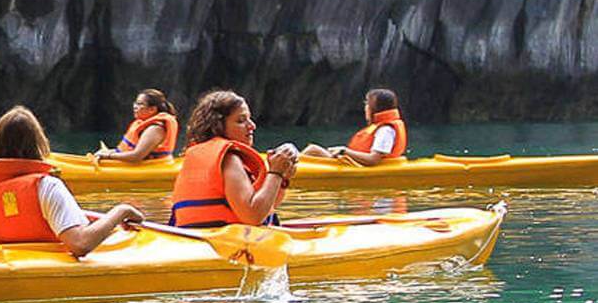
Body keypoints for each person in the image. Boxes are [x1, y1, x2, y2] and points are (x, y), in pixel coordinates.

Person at [0, 105, 144, 257]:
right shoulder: (46, 186)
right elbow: (80, 245)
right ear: (38, 143)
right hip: (32, 276)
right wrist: (122, 211)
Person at [169, 90, 298, 228]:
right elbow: (253, 216)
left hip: (194, 235)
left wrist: (281, 179)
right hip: (225, 240)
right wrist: (275, 173)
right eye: (241, 121)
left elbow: (264, 208)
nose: (251, 126)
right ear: (217, 126)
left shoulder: (198, 153)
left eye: (249, 119)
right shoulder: (230, 159)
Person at [301, 88, 407, 166]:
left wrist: (344, 151)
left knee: (313, 149)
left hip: (358, 167)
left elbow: (373, 160)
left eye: (367, 104)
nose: (365, 107)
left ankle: (288, 172)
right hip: (354, 164)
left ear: (376, 108)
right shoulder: (382, 127)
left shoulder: (385, 130)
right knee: (313, 150)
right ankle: (288, 167)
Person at [93, 89, 178, 162]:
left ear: (152, 109)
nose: (135, 107)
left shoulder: (155, 129)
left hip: (151, 168)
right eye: (135, 103)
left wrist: (108, 156)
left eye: (140, 104)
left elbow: (137, 156)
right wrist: (110, 152)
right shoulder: (144, 123)